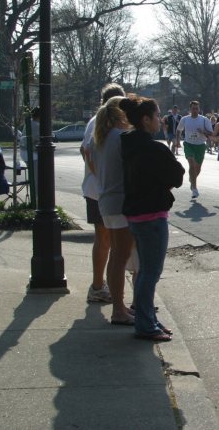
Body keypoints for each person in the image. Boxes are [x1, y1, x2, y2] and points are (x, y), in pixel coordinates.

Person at [120, 96, 185, 341]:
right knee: (150, 272)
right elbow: (176, 176)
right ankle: (146, 325)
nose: (161, 120)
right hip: (151, 215)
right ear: (146, 120)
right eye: (157, 115)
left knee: (145, 271)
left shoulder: (128, 144)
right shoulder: (153, 148)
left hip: (136, 214)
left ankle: (148, 319)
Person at [87, 96, 135, 325]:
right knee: (121, 257)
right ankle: (119, 309)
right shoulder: (120, 138)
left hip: (106, 200)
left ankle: (119, 306)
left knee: (116, 256)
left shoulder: (99, 138)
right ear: (120, 115)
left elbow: (90, 161)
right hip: (120, 202)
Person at [81, 82, 125, 304]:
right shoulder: (101, 122)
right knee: (111, 241)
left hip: (97, 189)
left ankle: (101, 286)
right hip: (103, 190)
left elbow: (85, 151)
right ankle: (101, 287)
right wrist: (101, 176)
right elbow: (87, 151)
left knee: (106, 239)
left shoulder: (98, 122)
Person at [176, 101, 214, 199]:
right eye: (193, 108)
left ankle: (192, 180)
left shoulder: (204, 120)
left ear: (199, 109)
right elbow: (179, 130)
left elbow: (211, 133)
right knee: (191, 165)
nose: (195, 110)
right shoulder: (185, 119)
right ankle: (194, 188)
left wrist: (203, 131)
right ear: (190, 109)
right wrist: (178, 141)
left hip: (200, 146)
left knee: (197, 168)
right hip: (188, 144)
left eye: (197, 108)